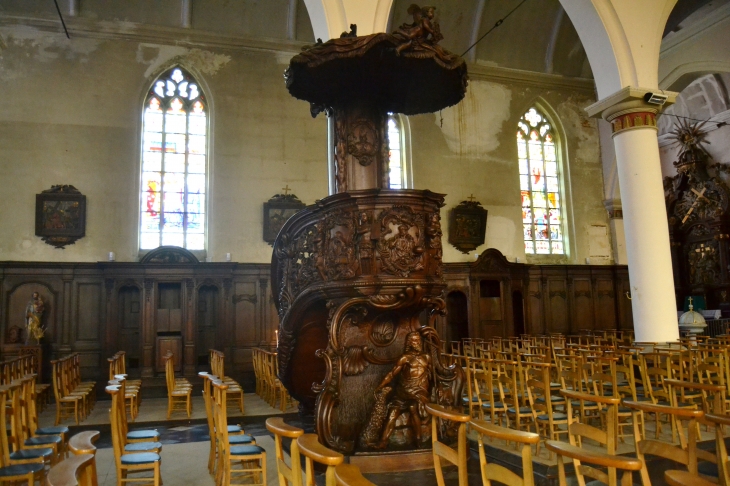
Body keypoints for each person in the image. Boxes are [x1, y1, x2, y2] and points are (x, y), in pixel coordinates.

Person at [374, 331, 431, 448]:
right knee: (392, 411)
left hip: (419, 392)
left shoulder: (426, 357)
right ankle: (383, 442)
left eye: (418, 340)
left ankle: (418, 440)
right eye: (414, 341)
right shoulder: (405, 358)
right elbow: (391, 374)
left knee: (413, 407)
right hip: (404, 392)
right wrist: (380, 386)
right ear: (409, 343)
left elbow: (434, 374)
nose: (417, 343)